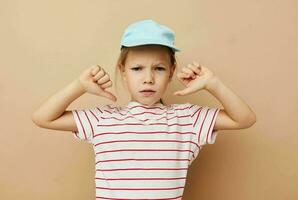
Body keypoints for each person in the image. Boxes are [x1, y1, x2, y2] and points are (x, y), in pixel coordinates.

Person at [32, 19, 256, 200]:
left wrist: (213, 83)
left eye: (158, 68)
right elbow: (43, 118)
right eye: (137, 68)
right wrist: (79, 86)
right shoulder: (103, 119)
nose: (148, 79)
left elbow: (244, 119)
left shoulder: (187, 119)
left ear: (171, 71)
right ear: (123, 71)